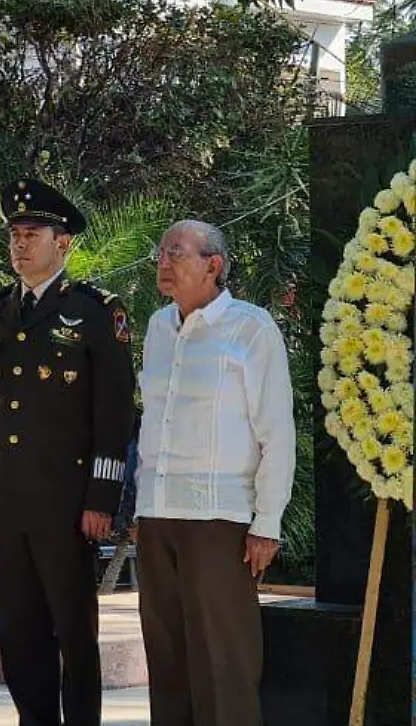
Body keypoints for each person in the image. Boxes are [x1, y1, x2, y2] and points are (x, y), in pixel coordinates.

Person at [0, 178, 135, 726]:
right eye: (14, 234)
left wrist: (102, 498)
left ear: (63, 244)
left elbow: (113, 415)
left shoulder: (95, 313)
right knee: (18, 633)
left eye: (31, 234)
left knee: (74, 635)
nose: (19, 244)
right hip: (6, 499)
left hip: (67, 503)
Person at [134, 220, 294, 726]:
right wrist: (141, 507)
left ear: (213, 265)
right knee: (167, 661)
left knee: (224, 664)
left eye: (176, 253)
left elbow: (276, 431)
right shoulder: (159, 328)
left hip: (218, 519)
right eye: (161, 253)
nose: (163, 262)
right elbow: (151, 423)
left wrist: (267, 521)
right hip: (158, 516)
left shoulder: (251, 328)